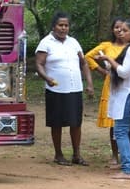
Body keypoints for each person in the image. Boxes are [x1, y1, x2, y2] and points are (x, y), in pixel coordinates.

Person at [35, 11, 95, 166]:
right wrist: (47, 78)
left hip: (75, 88)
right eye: (60, 25)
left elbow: (83, 63)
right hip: (56, 89)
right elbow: (39, 64)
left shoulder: (73, 42)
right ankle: (58, 154)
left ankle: (77, 154)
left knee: (76, 122)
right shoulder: (46, 42)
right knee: (57, 122)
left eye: (66, 25)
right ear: (54, 26)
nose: (63, 28)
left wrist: (89, 84)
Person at [97, 18, 130, 179]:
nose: (121, 32)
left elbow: (124, 72)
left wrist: (108, 59)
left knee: (121, 131)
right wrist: (109, 63)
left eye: (125, 30)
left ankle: (127, 169)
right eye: (120, 30)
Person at [85, 17, 126, 168]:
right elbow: (88, 56)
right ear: (112, 30)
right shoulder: (106, 46)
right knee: (114, 122)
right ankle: (115, 155)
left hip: (129, 84)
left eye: (123, 28)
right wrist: (101, 70)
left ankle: (129, 154)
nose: (120, 31)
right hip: (112, 85)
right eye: (117, 28)